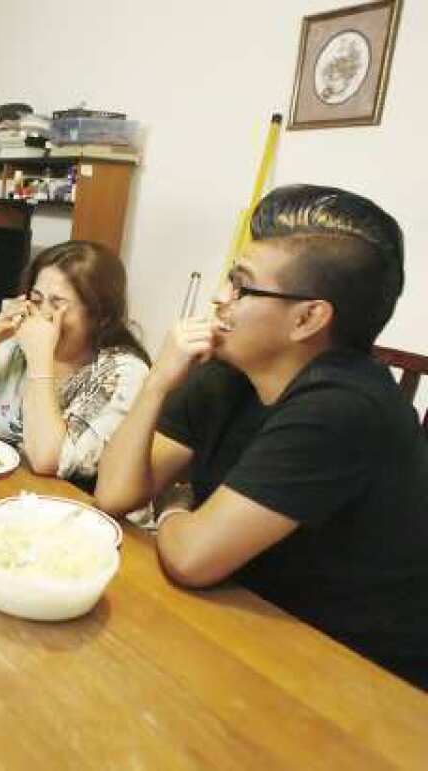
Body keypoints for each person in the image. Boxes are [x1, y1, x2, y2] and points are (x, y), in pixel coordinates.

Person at [95, 185, 428, 690]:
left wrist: (174, 506)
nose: (220, 297)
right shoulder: (229, 370)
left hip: (351, 673)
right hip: (238, 616)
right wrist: (159, 381)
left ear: (308, 318)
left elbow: (192, 558)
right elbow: (114, 494)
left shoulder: (343, 408)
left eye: (242, 287)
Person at [0, 240, 150, 491]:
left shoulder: (123, 373)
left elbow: (47, 459)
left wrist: (40, 360)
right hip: (8, 491)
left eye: (57, 304)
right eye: (36, 299)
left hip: (76, 509)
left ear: (100, 316)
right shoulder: (16, 347)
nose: (41, 315)